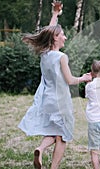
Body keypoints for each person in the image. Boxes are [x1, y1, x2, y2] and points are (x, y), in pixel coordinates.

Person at [18, 2, 92, 169]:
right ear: (55, 38)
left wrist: (55, 14)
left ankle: (41, 148)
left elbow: (49, 31)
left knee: (53, 131)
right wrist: (84, 78)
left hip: (47, 98)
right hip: (61, 100)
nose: (65, 37)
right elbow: (70, 81)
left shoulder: (45, 54)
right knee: (63, 136)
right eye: (63, 35)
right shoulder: (61, 57)